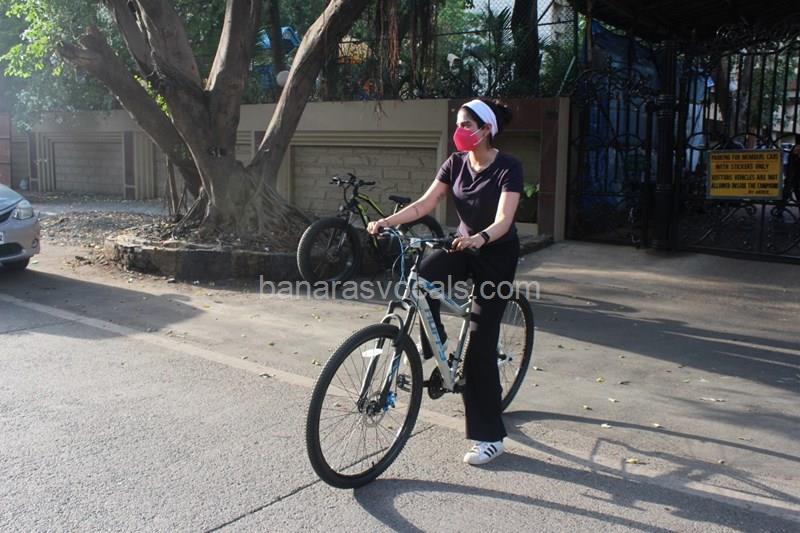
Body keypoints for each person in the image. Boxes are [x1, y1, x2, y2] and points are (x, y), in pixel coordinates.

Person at [367, 98, 523, 466]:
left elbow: (504, 220)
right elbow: (425, 204)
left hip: (496, 254)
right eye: (459, 124)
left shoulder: (508, 167)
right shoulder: (455, 163)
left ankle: (490, 438)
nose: (460, 130)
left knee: (479, 350)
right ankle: (437, 352)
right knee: (422, 277)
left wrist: (481, 238)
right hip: (462, 245)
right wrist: (387, 221)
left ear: (486, 129)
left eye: (467, 124)